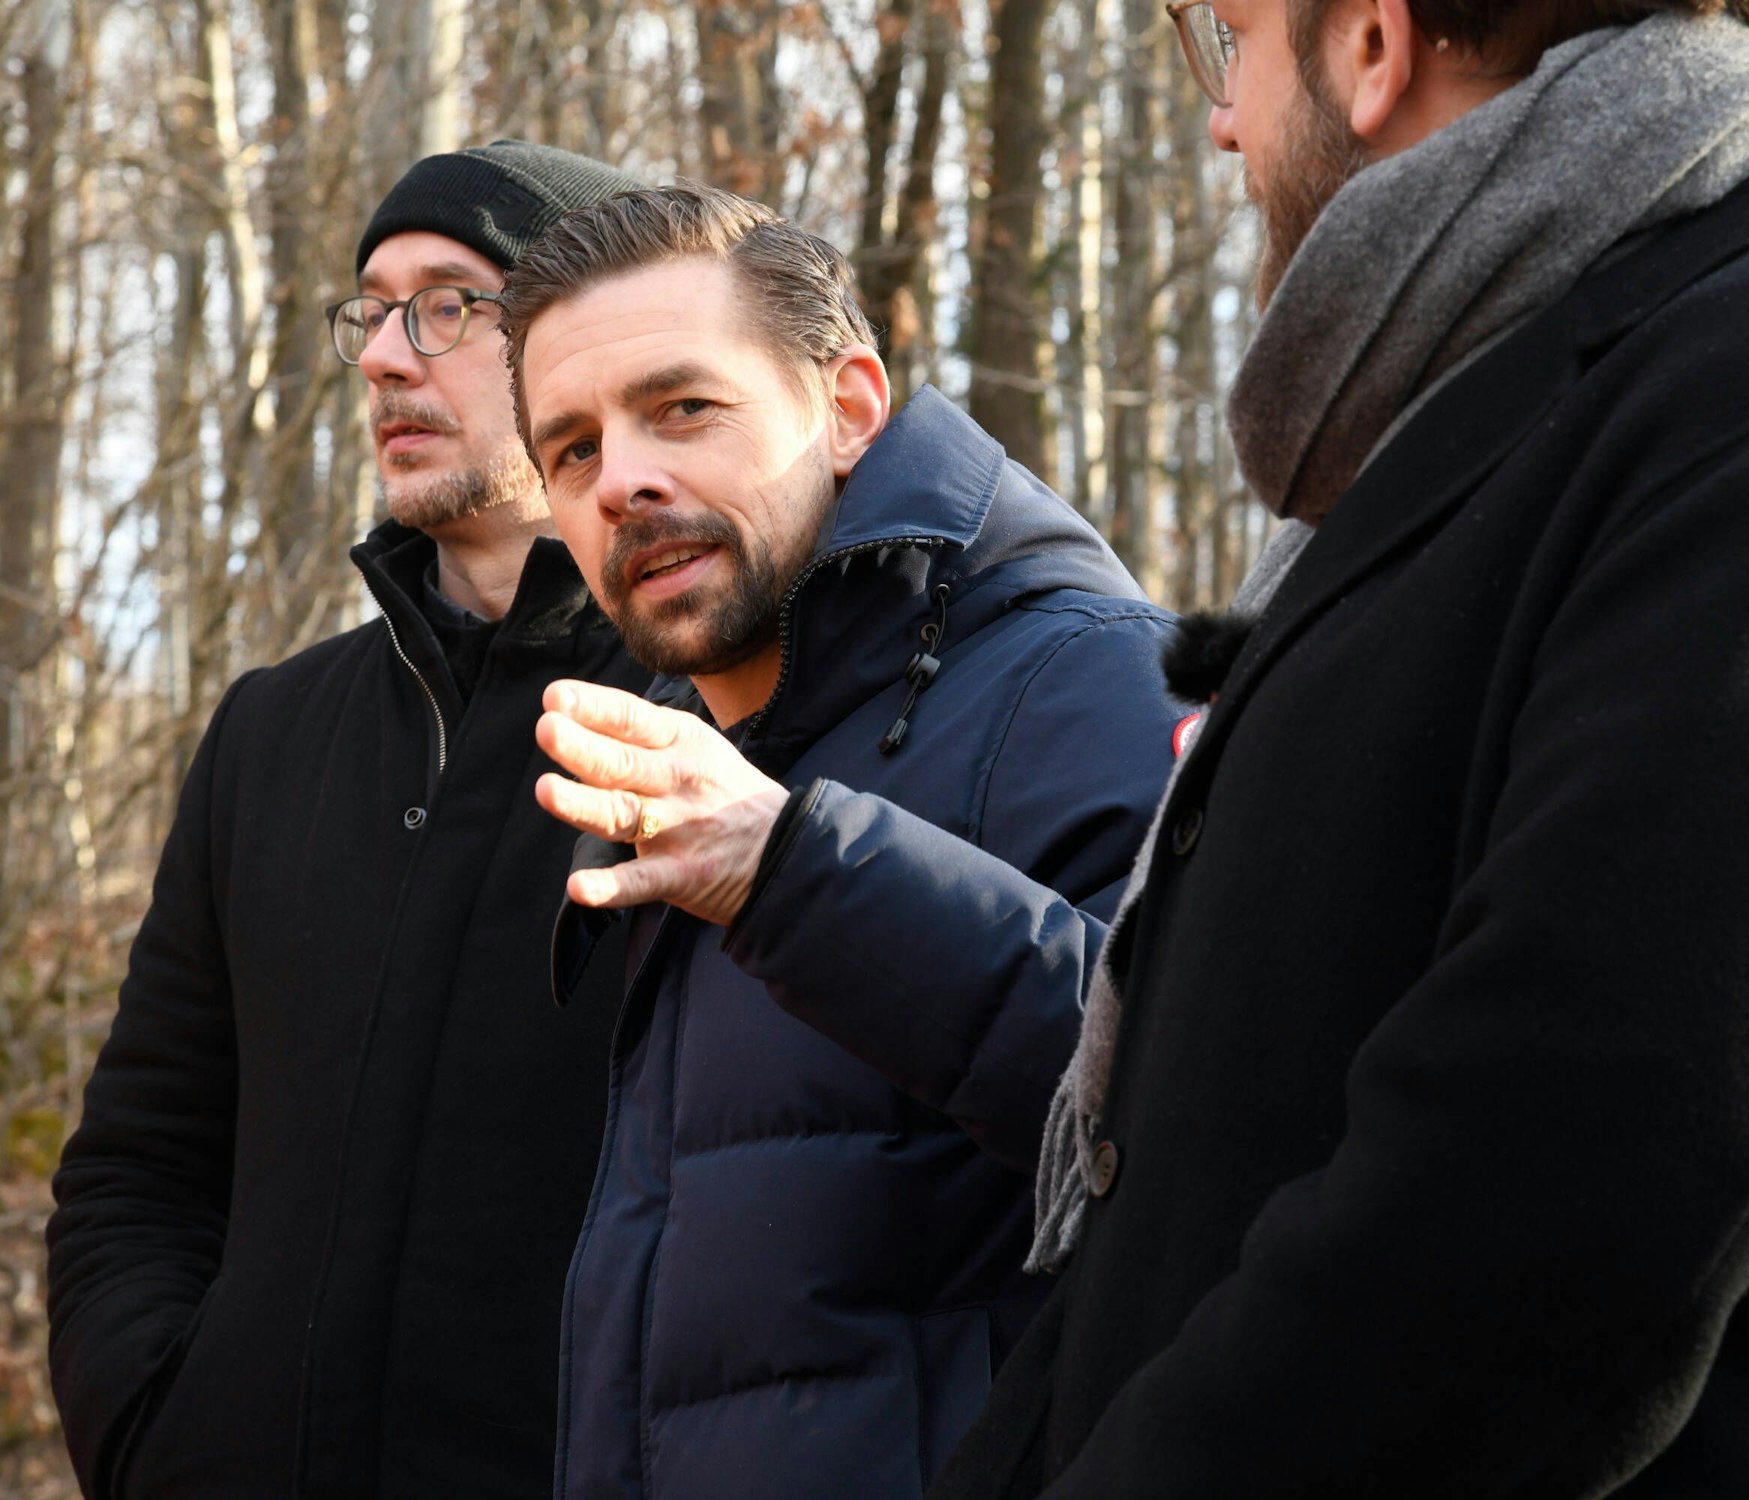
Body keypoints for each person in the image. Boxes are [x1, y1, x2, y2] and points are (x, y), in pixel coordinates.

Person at [930, 0, 1749, 1495]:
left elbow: (1527, 1234)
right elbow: (1198, 1174)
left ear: (1373, 42)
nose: (1223, 118)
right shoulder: (1476, 441)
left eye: (1228, 39)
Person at [496, 182, 1183, 1498]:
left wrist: (797, 873)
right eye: (570, 450)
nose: (622, 477)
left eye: (682, 407)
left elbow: (1212, 1107)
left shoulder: (1094, 679)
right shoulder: (661, 765)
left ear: (852, 407)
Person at [45, 142, 652, 1500]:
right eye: (372, 309)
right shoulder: (271, 736)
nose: (386, 356)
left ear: (586, 346)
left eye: (448, 304)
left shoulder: (709, 725)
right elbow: (137, 1173)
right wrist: (156, 1430)